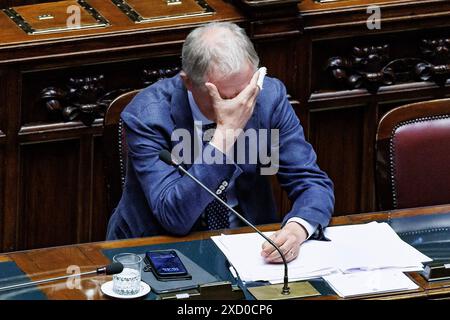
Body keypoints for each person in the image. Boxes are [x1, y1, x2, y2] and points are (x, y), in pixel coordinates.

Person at [106, 22, 334, 263]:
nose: (238, 104)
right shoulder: (148, 115)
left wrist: (297, 228)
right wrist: (224, 135)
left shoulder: (267, 98)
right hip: (156, 251)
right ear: (188, 83)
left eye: (245, 91)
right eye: (224, 97)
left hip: (247, 249)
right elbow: (174, 217)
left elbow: (311, 183)